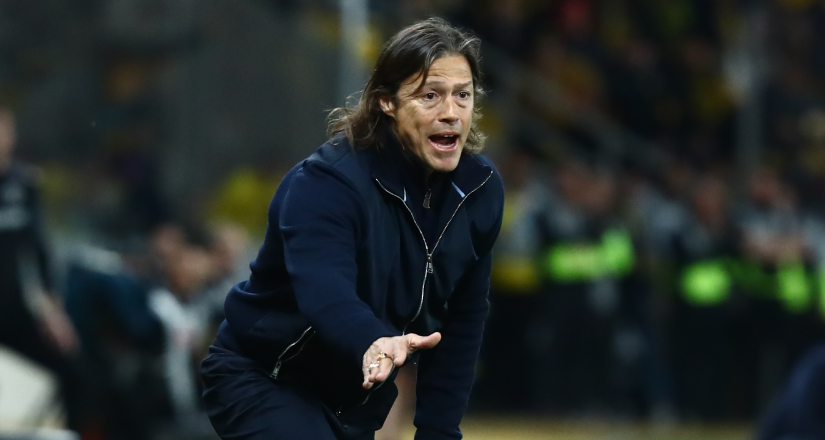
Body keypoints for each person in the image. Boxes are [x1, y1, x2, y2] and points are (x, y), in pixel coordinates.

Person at [200, 17, 504, 440]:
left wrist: (439, 431)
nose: (451, 113)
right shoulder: (326, 183)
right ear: (386, 102)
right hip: (265, 376)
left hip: (356, 399)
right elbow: (325, 290)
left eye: (463, 95)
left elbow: (463, 321)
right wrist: (372, 339)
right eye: (430, 96)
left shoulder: (479, 190)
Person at [0, 106, 84, 432]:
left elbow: (40, 251)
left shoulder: (24, 183)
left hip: (17, 309)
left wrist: (54, 310)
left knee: (71, 368)